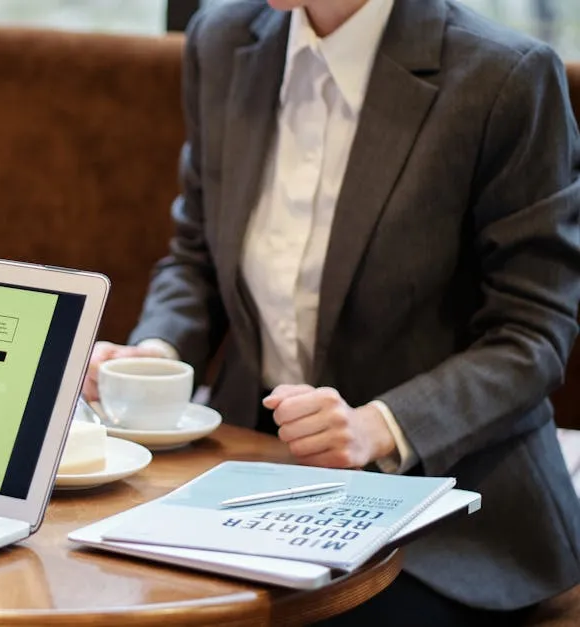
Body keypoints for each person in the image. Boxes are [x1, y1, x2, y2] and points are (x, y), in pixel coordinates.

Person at [86, 0, 580, 623]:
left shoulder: (503, 76)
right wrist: (154, 357)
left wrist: (380, 426)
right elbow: (196, 258)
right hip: (251, 470)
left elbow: (532, 334)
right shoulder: (221, 38)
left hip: (452, 508)